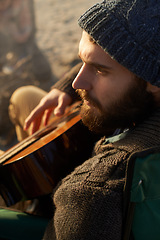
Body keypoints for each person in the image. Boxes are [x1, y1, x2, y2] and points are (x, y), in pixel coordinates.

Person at [6, 0, 160, 239]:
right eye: (82, 61)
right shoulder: (145, 88)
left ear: (151, 79)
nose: (77, 83)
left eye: (100, 70)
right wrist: (64, 88)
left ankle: (29, 202)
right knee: (26, 96)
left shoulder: (91, 192)